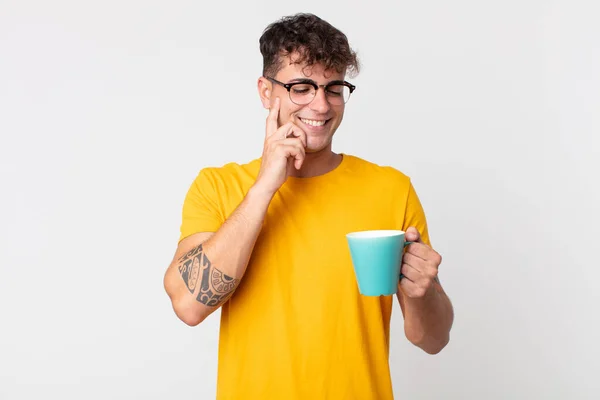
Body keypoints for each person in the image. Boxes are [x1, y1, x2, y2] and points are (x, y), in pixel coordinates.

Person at [163, 13, 454, 400]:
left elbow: (431, 339)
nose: (321, 105)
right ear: (266, 91)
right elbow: (188, 305)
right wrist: (266, 186)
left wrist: (425, 289)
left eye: (334, 88)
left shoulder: (391, 189)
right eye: (302, 87)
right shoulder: (219, 187)